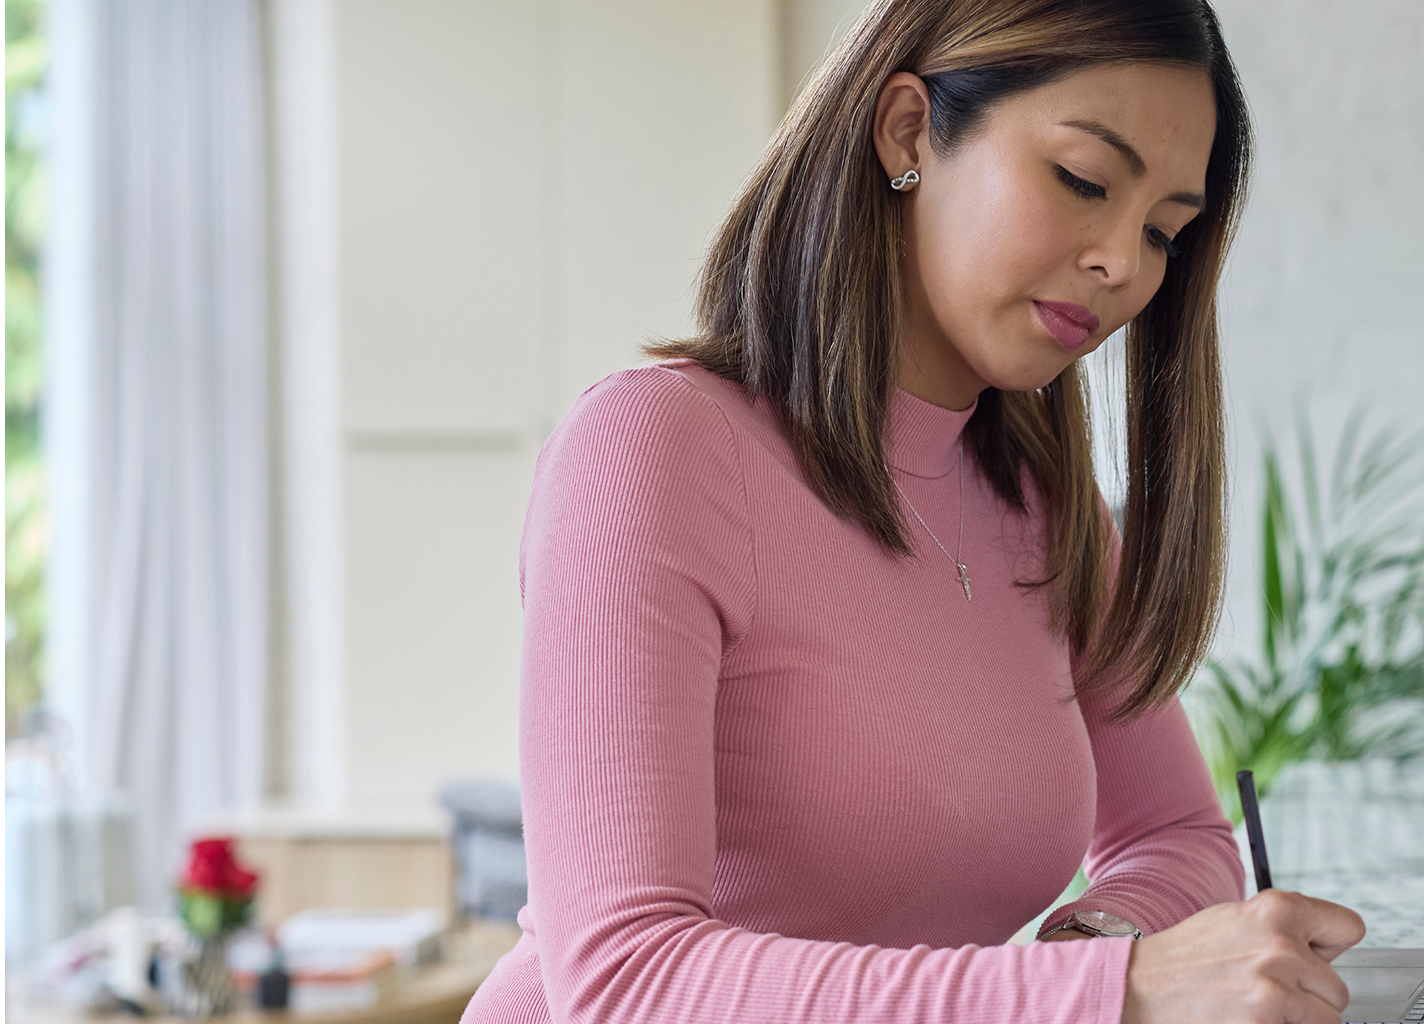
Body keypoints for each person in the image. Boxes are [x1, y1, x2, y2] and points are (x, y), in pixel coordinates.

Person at [462, 2, 1366, 1021]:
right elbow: (625, 980)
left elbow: (1179, 836)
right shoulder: (656, 451)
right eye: (1083, 180)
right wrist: (1103, 993)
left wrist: (1094, 945)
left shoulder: (1047, 510)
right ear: (906, 133)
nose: (1124, 262)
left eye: (1163, 231)